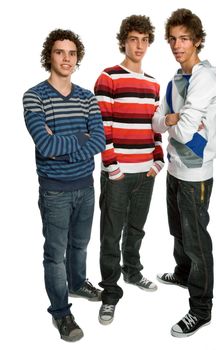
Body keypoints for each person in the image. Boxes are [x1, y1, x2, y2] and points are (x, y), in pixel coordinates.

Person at [23, 29, 105, 342]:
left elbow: (98, 139)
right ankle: (61, 313)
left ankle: (78, 282)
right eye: (60, 52)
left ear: (77, 58)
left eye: (72, 53)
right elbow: (44, 145)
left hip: (85, 187)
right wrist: (79, 141)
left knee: (80, 245)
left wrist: (65, 145)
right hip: (54, 190)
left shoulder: (86, 97)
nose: (66, 58)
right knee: (55, 255)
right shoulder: (34, 96)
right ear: (50, 56)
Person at [152, 8, 216, 337]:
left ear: (197, 41)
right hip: (175, 170)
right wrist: (170, 120)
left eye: (185, 39)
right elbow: (157, 121)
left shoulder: (203, 78)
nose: (178, 45)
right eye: (173, 39)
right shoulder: (175, 81)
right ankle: (182, 273)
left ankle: (201, 308)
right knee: (178, 230)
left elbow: (187, 129)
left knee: (196, 241)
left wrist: (173, 122)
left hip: (196, 174)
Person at [94, 15, 164, 325]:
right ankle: (110, 291)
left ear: (149, 43)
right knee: (112, 233)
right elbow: (101, 126)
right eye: (133, 39)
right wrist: (112, 166)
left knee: (136, 227)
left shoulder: (152, 83)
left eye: (144, 40)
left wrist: (158, 159)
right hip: (118, 173)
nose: (139, 45)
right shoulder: (108, 77)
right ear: (124, 41)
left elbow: (156, 125)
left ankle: (133, 271)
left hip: (146, 172)